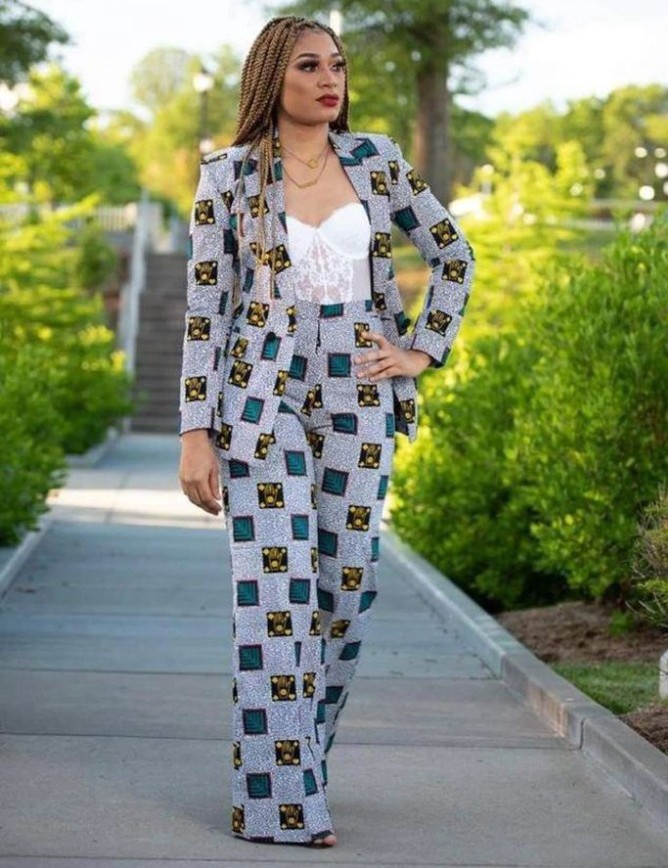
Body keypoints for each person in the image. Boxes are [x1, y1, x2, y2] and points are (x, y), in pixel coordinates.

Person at [178, 14, 475, 849]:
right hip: (259, 392)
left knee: (344, 589)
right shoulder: (228, 176)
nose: (329, 79)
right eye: (309, 66)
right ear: (272, 76)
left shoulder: (377, 160)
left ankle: (301, 758)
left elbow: (454, 254)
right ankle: (281, 802)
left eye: (336, 65)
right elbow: (205, 308)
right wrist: (195, 430)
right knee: (276, 595)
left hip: (359, 381)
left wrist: (421, 349)